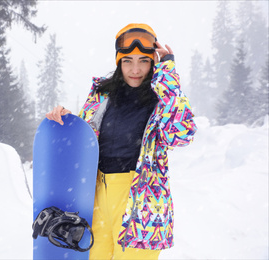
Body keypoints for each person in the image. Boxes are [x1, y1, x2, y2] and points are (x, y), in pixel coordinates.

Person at [46, 23, 197, 260]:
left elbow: (181, 134)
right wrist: (66, 120)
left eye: (143, 61)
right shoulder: (102, 95)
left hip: (140, 203)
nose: (135, 69)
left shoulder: (160, 99)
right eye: (128, 61)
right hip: (94, 196)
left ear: (153, 62)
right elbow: (85, 138)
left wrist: (168, 75)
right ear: (119, 62)